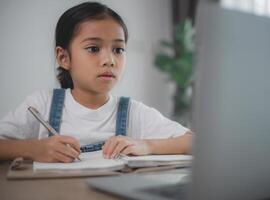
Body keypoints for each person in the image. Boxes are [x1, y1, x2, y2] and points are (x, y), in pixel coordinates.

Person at [0, 2, 192, 163]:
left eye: (118, 49)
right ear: (64, 57)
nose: (109, 60)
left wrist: (147, 145)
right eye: (93, 48)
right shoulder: (41, 104)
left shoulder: (133, 112)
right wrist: (31, 148)